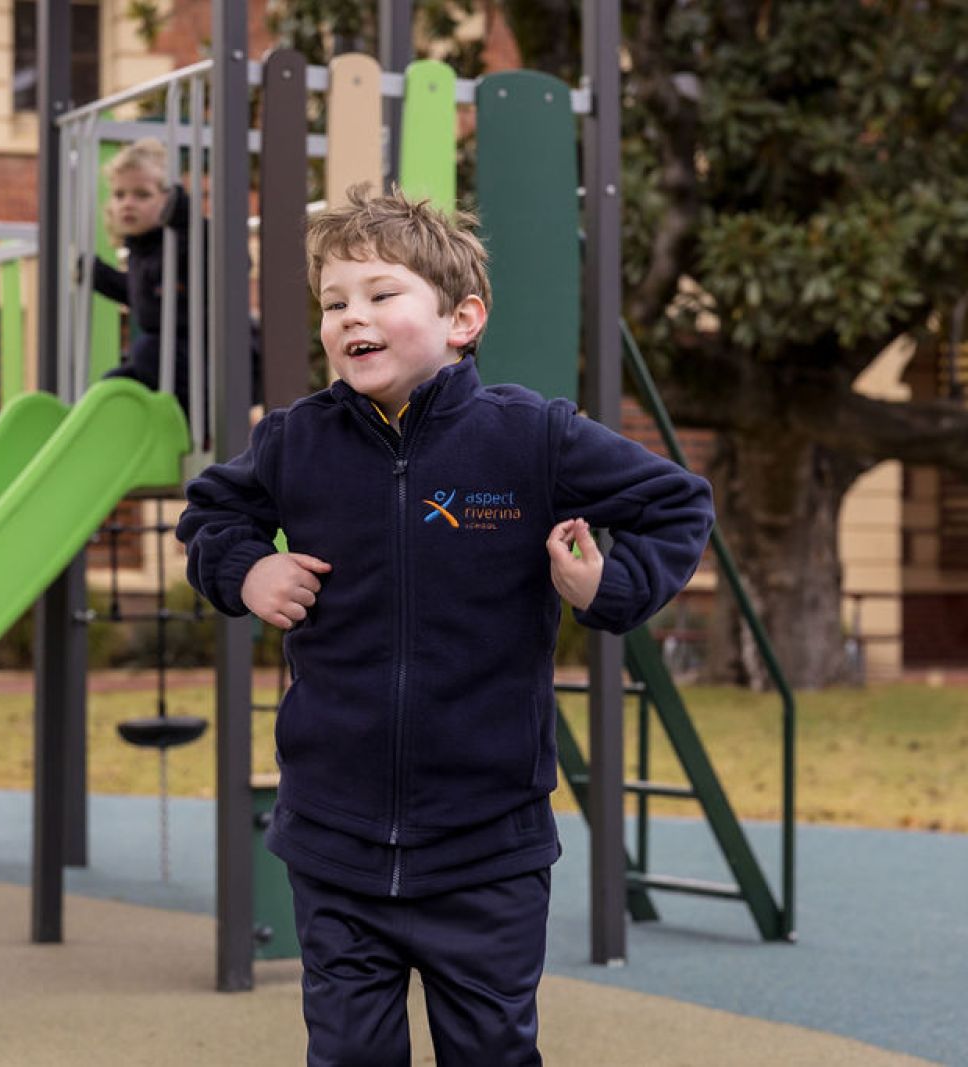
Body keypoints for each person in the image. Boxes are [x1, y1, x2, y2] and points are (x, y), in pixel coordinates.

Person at [176, 185, 714, 1065]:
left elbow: (677, 503)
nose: (354, 316)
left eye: (382, 294)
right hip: (334, 841)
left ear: (462, 318)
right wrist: (248, 569)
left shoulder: (529, 438)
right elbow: (210, 516)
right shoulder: (295, 442)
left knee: (491, 1053)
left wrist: (606, 585)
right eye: (335, 302)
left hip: (487, 849)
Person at [90, 138, 261, 419]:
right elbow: (137, 294)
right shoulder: (139, 250)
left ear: (168, 199)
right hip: (172, 354)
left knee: (147, 349)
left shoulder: (184, 238)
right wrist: (96, 274)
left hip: (216, 353)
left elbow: (235, 261)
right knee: (114, 384)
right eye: (120, 195)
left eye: (142, 195)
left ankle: (204, 423)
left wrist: (186, 216)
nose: (128, 204)